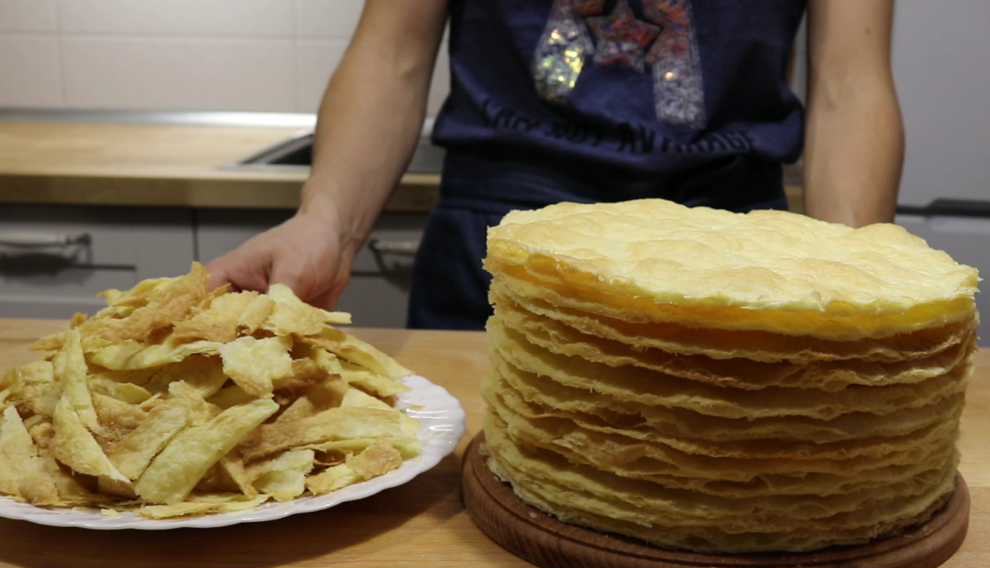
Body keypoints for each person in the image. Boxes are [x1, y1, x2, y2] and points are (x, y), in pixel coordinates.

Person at [207, 0, 903, 330]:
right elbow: (392, 53)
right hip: (499, 243)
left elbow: (849, 86)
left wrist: (856, 274)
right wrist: (325, 222)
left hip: (733, 251)